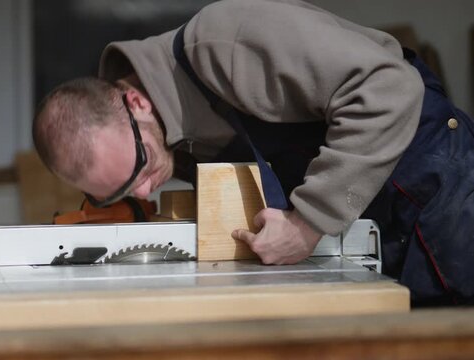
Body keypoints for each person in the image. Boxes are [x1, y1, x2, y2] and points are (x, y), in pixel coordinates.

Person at [33, 0, 474, 306]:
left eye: (142, 166)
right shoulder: (169, 131)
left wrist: (308, 222)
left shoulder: (228, 42)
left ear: (137, 103)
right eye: (121, 191)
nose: (148, 189)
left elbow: (388, 89)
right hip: (380, 224)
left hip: (436, 188)